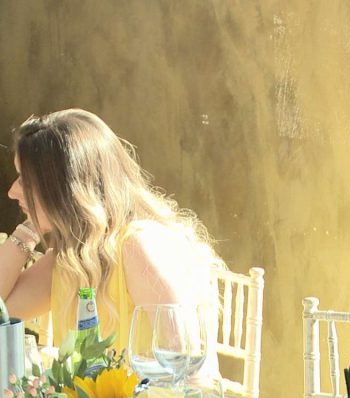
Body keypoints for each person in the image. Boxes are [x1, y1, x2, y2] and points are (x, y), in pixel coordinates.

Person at [2, 109, 221, 367]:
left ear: (66, 189)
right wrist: (28, 230)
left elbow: (187, 367)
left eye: (26, 181)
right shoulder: (73, 257)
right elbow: (5, 310)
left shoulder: (138, 247)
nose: (12, 191)